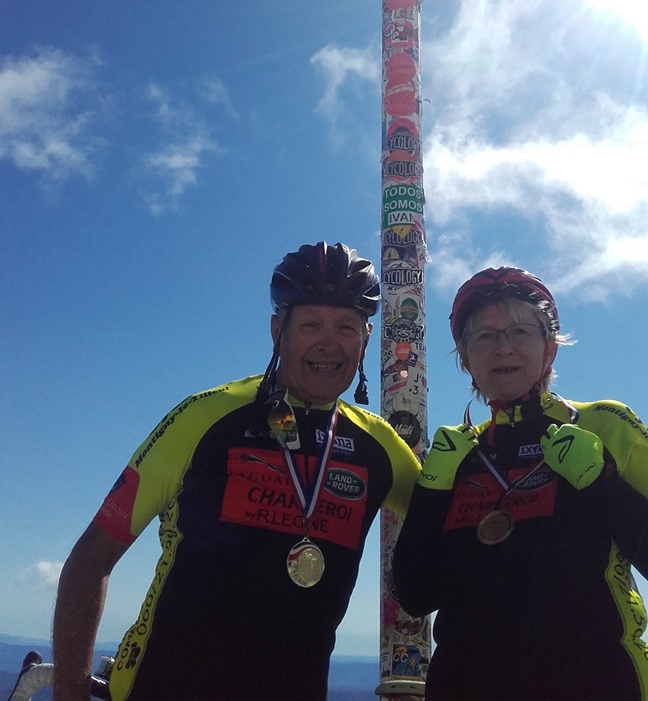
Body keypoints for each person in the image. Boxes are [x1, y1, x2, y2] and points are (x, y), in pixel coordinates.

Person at [52, 241, 420, 701]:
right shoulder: (204, 417)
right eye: (310, 324)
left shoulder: (380, 445)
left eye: (346, 327)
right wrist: (67, 692)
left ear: (366, 339)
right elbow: (93, 556)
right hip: (160, 687)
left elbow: (449, 524)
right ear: (276, 332)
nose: (329, 342)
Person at [392, 266, 648, 701]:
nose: (503, 347)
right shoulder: (459, 457)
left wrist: (600, 481)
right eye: (483, 336)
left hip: (600, 685)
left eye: (520, 330)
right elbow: (416, 594)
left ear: (550, 346)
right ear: (464, 357)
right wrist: (431, 492)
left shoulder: (604, 425)